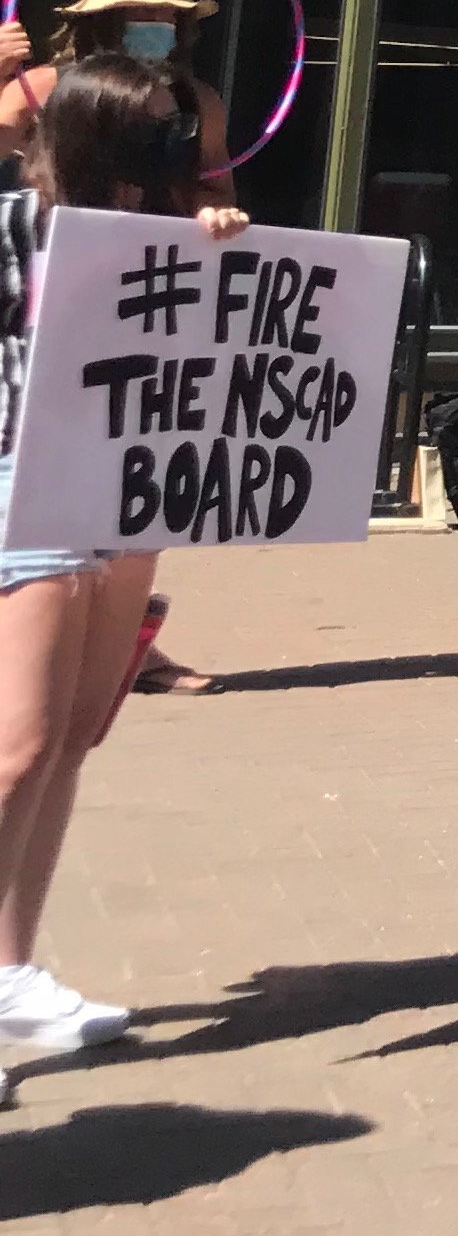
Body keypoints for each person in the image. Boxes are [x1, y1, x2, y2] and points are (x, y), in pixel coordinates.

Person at [0, 57, 242, 1055]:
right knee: (19, 745)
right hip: (31, 487)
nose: (170, 147)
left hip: (123, 493)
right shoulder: (21, 226)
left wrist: (218, 239)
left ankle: (13, 969)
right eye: (149, 129)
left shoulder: (172, 230)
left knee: (64, 744)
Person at [0, 0, 238, 199]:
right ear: (106, 18)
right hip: (53, 230)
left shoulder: (197, 102)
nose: (161, 21)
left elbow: (217, 192)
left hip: (149, 237)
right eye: (146, 10)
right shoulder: (40, 88)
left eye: (172, 13)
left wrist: (211, 211)